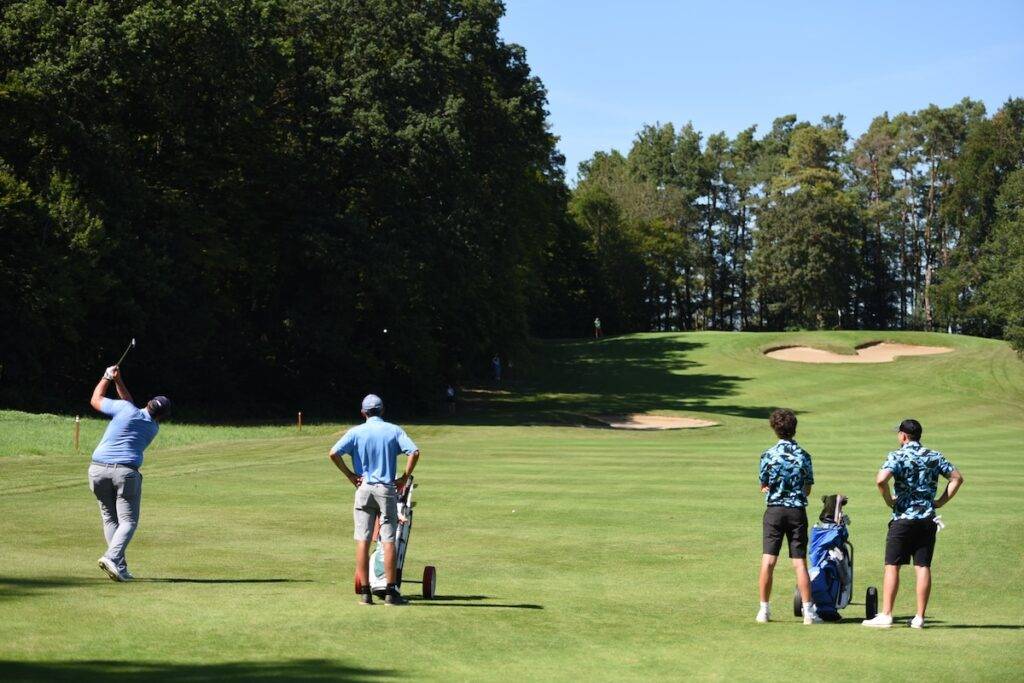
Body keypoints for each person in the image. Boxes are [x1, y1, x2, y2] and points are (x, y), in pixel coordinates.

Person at [863, 419, 963, 629]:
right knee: (923, 566)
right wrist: (940, 502)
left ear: (904, 436)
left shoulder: (897, 455)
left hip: (903, 519)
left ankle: (887, 614)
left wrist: (889, 500)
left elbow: (881, 480)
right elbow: (956, 478)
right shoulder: (934, 456)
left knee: (892, 565)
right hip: (927, 519)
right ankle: (919, 618)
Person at [329, 394, 420, 606]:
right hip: (386, 489)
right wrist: (404, 478)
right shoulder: (393, 430)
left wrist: (351, 475)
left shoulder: (356, 432)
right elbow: (414, 452)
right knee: (388, 539)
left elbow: (333, 453)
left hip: (363, 489)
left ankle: (365, 592)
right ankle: (390, 592)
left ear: (363, 412)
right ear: (383, 410)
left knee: (363, 540)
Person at [87, 365, 170, 582]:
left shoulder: (126, 409)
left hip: (97, 469)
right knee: (128, 522)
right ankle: (111, 557)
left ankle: (119, 566)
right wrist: (119, 381)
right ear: (160, 416)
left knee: (109, 518)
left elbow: (96, 399)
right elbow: (129, 405)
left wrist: (107, 377)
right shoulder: (153, 428)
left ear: (148, 403)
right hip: (125, 473)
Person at [756, 408, 820, 624]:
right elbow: (808, 488)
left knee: (768, 560)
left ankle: (764, 610)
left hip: (774, 511)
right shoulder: (804, 455)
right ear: (794, 429)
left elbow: (764, 485)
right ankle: (808, 612)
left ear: (775, 428)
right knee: (799, 562)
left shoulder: (768, 455)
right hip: (796, 512)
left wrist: (769, 489)